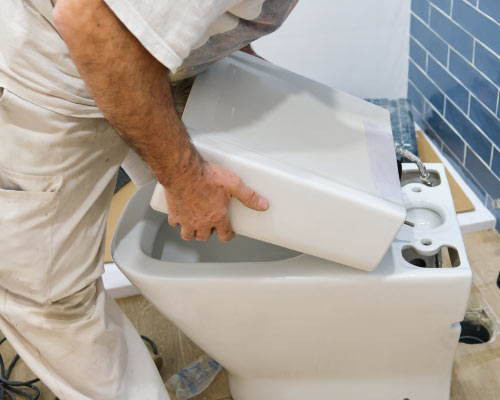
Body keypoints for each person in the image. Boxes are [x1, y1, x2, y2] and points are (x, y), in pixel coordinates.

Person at [0, 0, 297, 398]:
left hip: (139, 56)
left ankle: (243, 347)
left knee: (228, 213)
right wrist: (186, 178)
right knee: (50, 297)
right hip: (49, 72)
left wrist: (246, 66)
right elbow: (87, 20)